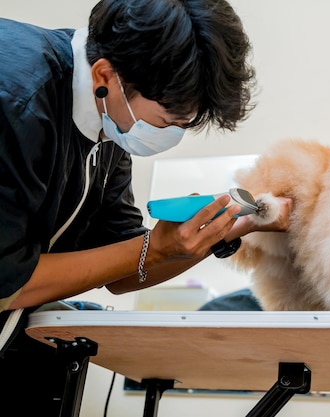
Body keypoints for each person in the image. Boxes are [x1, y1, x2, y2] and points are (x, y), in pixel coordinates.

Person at [0, 0, 292, 414]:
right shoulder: (16, 101)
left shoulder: (109, 126)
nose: (171, 135)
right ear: (105, 75)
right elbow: (6, 281)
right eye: (168, 121)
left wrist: (230, 229)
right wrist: (154, 248)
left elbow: (122, 270)